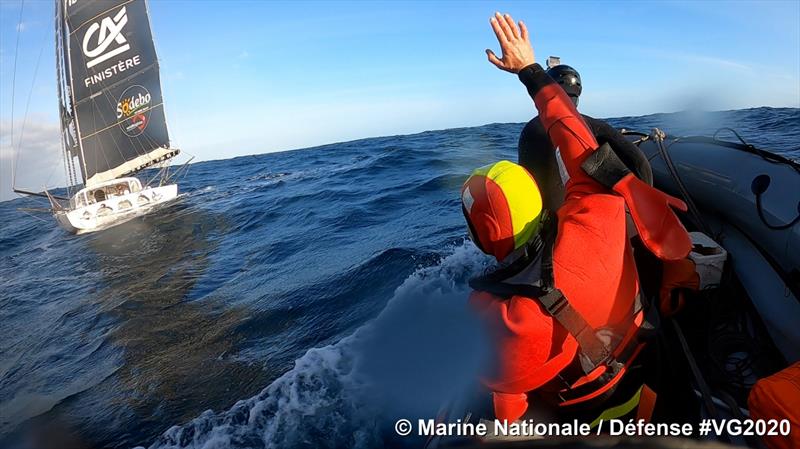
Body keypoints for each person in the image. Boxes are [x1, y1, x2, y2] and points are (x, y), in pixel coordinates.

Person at [463, 12, 699, 423]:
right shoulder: (602, 215)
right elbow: (588, 151)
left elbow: (508, 406)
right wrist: (530, 71)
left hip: (584, 417)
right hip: (650, 376)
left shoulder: (500, 317)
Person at [518, 64, 652, 213]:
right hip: (585, 217)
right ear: (578, 92)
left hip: (545, 225)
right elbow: (639, 163)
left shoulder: (530, 129)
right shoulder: (593, 125)